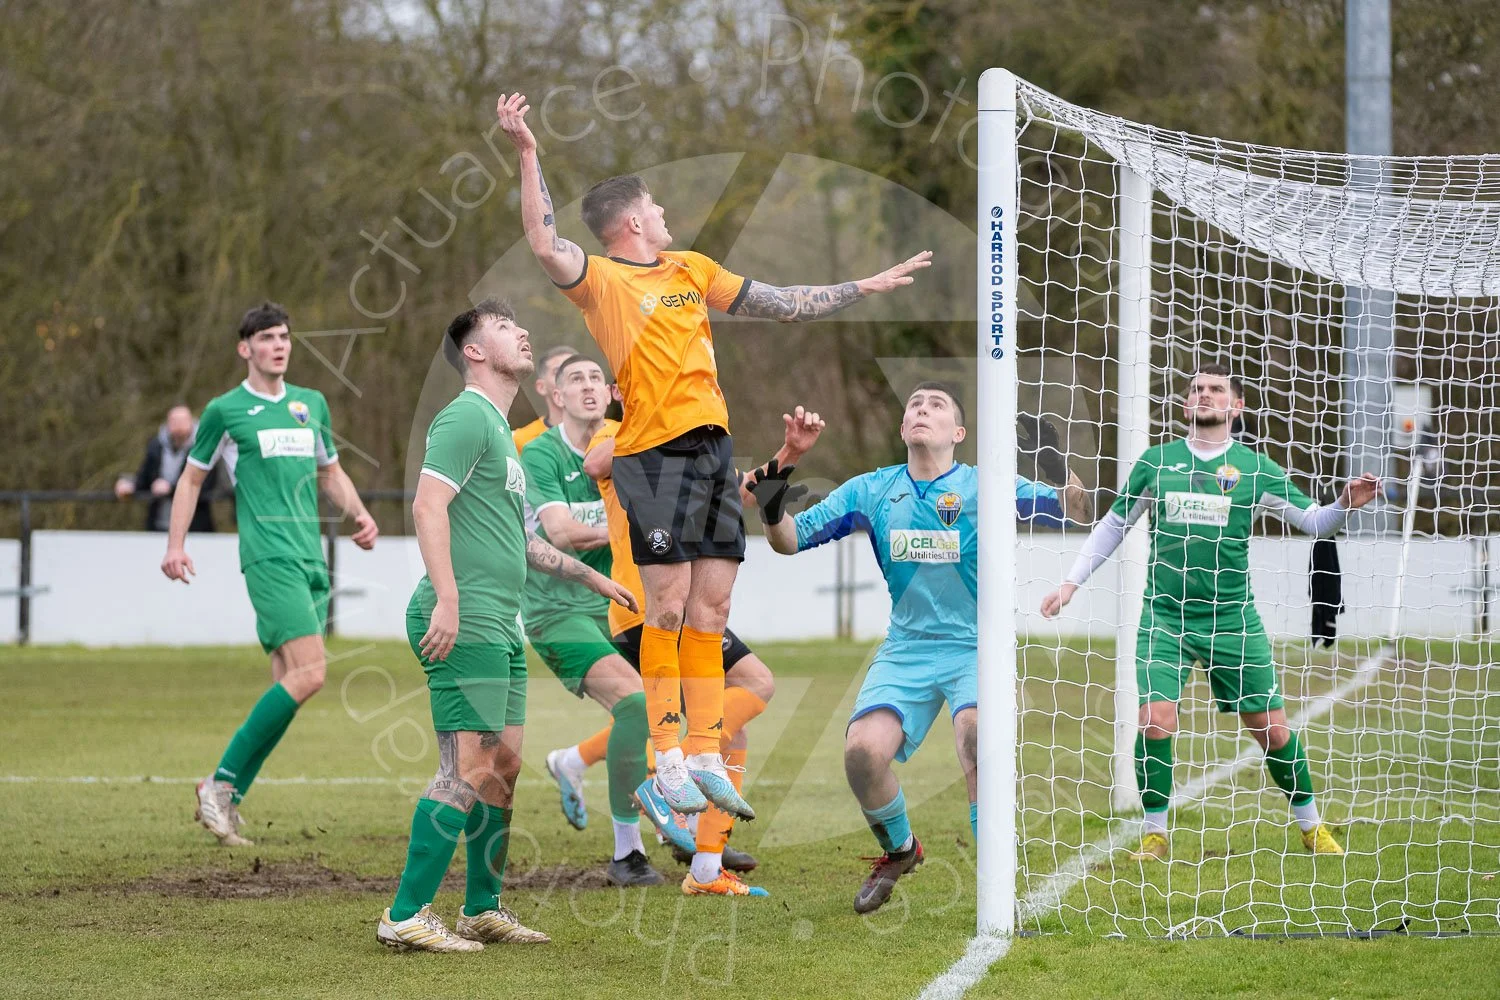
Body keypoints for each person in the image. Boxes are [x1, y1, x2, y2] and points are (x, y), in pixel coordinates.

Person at [496, 91, 931, 824]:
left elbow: (779, 301)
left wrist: (865, 285)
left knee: (713, 606)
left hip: (710, 451)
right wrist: (529, 151)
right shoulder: (604, 279)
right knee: (665, 606)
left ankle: (701, 751)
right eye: (657, 206)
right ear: (632, 220)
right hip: (650, 455)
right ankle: (666, 760)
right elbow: (544, 245)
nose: (666, 214)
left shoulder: (691, 269)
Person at [758, 383, 1086, 914]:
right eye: (913, 404)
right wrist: (771, 511)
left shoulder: (990, 487)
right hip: (907, 647)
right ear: (903, 426)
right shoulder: (872, 490)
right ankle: (900, 850)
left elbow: (1075, 509)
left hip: (975, 646)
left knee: (977, 733)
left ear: (958, 433)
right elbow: (789, 540)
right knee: (862, 755)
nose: (921, 409)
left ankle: (998, 892)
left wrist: (1055, 466)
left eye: (935, 405)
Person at [378, 299, 638, 953]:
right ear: (472, 351)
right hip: (462, 616)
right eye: (502, 327)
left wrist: (592, 578)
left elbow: (522, 543)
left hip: (501, 620)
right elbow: (426, 505)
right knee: (465, 768)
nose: (520, 332)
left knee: (503, 767)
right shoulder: (466, 416)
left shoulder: (501, 431)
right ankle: (404, 915)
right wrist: (446, 599)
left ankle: (482, 909)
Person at [1040, 365, 1380, 861]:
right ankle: (1154, 834)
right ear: (1184, 406)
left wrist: (1345, 504)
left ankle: (1311, 827)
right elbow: (1113, 525)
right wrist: (1071, 583)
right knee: (1154, 720)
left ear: (1235, 406)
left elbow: (1314, 522)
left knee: (1272, 730)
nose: (1204, 394)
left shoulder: (1256, 468)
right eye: (1196, 389)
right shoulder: (1156, 463)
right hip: (1165, 618)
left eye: (1216, 389)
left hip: (1233, 621)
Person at [545, 392, 824, 898]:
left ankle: (704, 866)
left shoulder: (692, 441)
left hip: (694, 617)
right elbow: (594, 461)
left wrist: (788, 457)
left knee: (731, 727)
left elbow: (737, 493)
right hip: (647, 610)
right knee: (751, 689)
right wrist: (651, 411)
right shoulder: (619, 432)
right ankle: (661, 773)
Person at [162, 302, 379, 846]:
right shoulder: (225, 411)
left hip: (310, 558)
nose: (279, 345)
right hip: (267, 556)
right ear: (246, 349)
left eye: (285, 337)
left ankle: (226, 796)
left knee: (291, 682)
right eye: (267, 338)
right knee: (312, 674)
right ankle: (219, 783)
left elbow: (330, 470)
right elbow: (190, 481)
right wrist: (176, 544)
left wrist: (359, 512)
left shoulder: (311, 404)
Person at [520, 353, 663, 888]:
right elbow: (560, 534)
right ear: (555, 396)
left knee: (675, 703)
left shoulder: (627, 445)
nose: (586, 387)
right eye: (573, 379)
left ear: (609, 394)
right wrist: (628, 524)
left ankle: (702, 838)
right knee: (635, 704)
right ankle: (628, 853)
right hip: (557, 611)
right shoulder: (538, 454)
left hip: (619, 607)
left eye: (595, 379)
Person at [117, 404, 223, 532]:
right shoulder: (155, 446)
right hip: (158, 524)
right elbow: (144, 478)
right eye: (174, 421)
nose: (178, 425)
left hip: (194, 527)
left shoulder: (204, 447)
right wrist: (130, 484)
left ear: (192, 421)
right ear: (167, 423)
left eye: (182, 421)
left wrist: (170, 488)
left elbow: (206, 485)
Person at [512, 344, 576, 452]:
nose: (569, 377)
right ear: (541, 387)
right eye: (558, 372)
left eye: (575, 372)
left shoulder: (608, 433)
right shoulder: (520, 440)